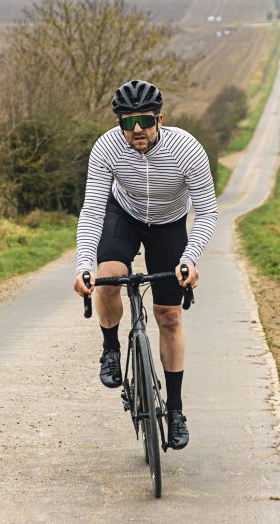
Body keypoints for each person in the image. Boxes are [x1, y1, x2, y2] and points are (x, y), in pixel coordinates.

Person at [73, 79, 218, 450]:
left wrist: (189, 260)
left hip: (170, 224)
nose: (136, 130)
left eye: (145, 121)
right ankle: (110, 349)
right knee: (108, 277)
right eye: (127, 122)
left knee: (169, 315)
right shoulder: (107, 147)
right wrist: (83, 264)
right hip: (125, 214)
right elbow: (92, 210)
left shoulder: (186, 149)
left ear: (160, 119)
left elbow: (206, 213)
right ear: (118, 123)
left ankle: (176, 410)